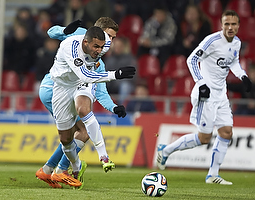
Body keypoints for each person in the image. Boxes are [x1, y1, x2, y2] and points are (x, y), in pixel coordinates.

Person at [156, 10, 252, 185]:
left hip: (221, 95)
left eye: (234, 24)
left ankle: (212, 175)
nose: (230, 27)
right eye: (227, 24)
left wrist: (243, 76)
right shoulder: (212, 41)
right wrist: (201, 83)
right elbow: (191, 59)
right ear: (221, 25)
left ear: (238, 26)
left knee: (226, 133)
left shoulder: (237, 43)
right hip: (205, 96)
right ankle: (166, 150)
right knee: (204, 138)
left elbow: (233, 62)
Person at [37, 24, 135, 188]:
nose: (109, 42)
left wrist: (113, 107)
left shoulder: (100, 53)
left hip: (74, 86)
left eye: (112, 39)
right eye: (108, 36)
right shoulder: (78, 37)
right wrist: (64, 31)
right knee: (77, 132)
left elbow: (101, 91)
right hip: (54, 88)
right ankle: (60, 169)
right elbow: (50, 32)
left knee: (76, 128)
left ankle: (52, 169)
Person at [137, 4, 177, 69]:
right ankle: (141, 69)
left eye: (160, 14)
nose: (158, 16)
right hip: (151, 44)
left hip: (163, 46)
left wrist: (152, 43)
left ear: (165, 14)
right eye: (157, 14)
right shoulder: (151, 21)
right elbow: (145, 33)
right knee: (141, 49)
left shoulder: (171, 24)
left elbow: (168, 40)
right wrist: (144, 40)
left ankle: (161, 71)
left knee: (164, 50)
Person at [104, 36, 137, 104]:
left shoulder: (130, 59)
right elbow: (105, 73)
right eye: (115, 45)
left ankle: (121, 108)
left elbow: (132, 76)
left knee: (125, 86)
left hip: (125, 84)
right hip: (111, 83)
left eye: (119, 46)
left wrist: (116, 80)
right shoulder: (110, 59)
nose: (117, 48)